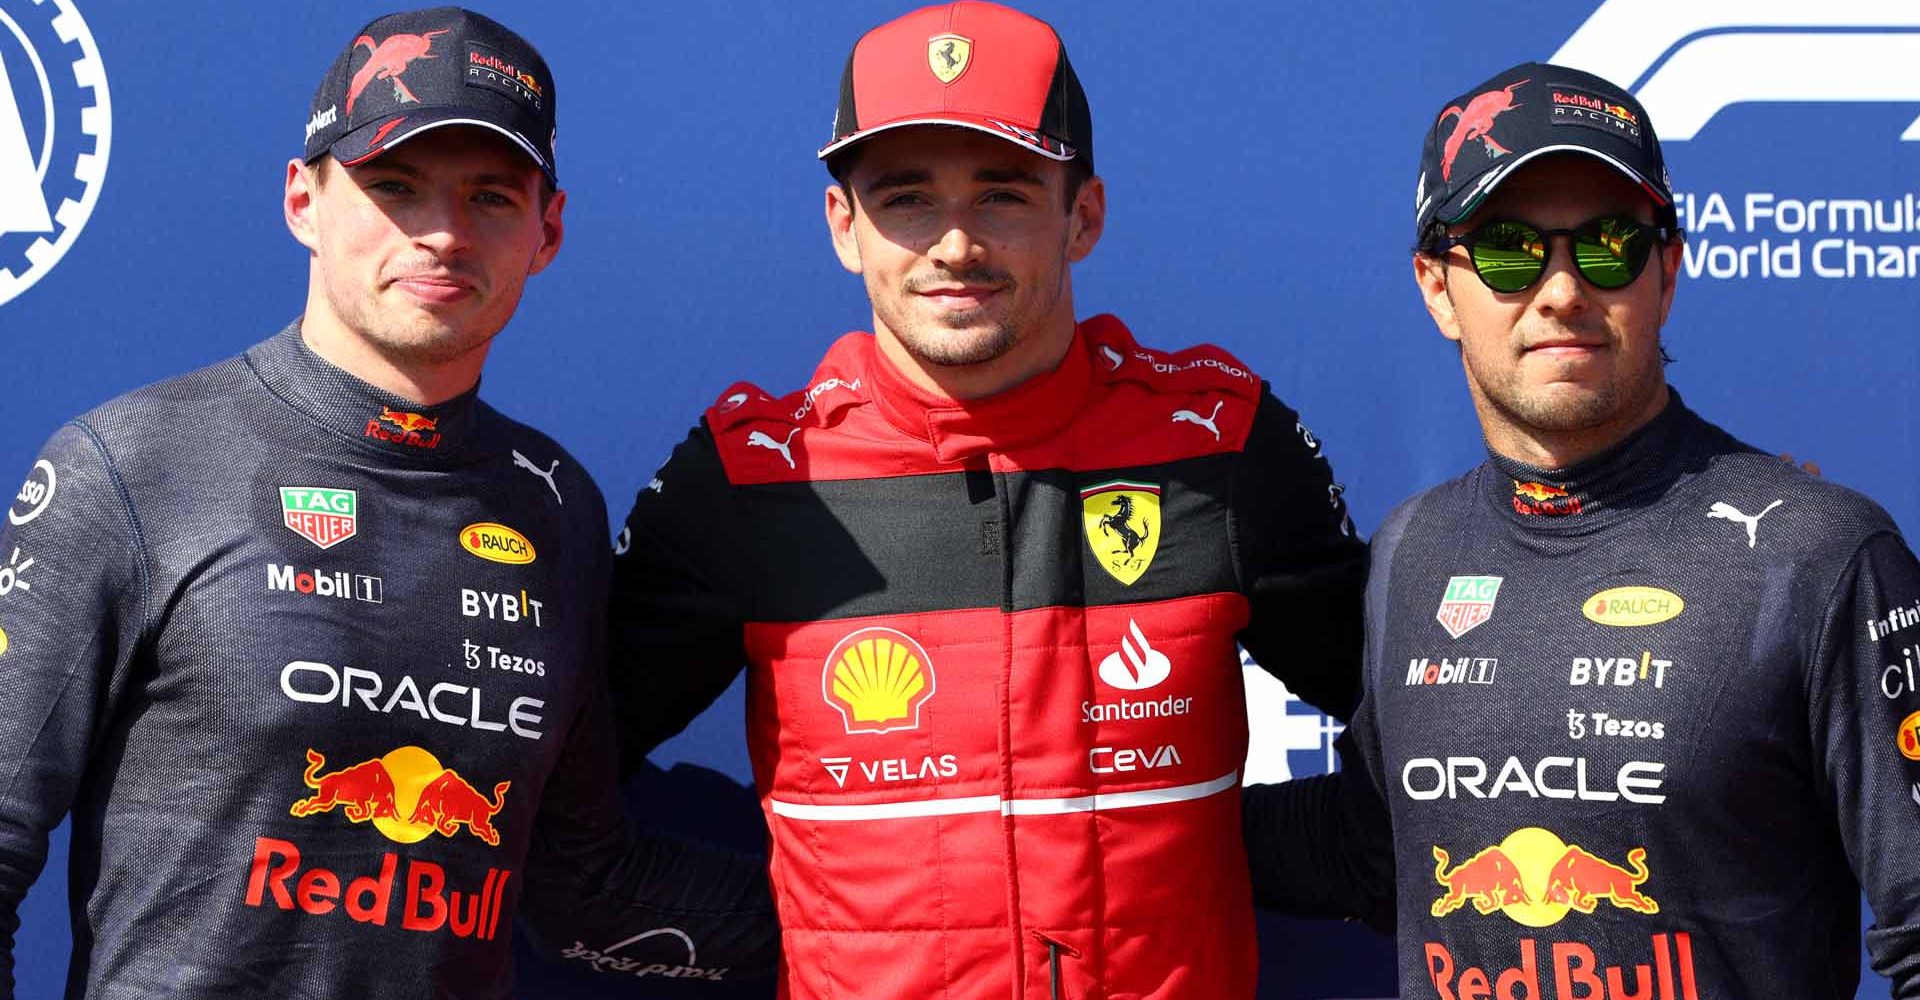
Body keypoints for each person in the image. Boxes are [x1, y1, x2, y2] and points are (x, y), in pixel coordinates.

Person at [0, 8, 775, 997]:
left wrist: (922, 927)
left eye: (491, 196)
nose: (444, 234)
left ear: (549, 230)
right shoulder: (132, 463)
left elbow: (581, 879)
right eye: (394, 187)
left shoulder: (554, 507)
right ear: (302, 199)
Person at [603, 2, 1366, 997]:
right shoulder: (752, 477)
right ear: (845, 226)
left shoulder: (1221, 447)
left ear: (1082, 215)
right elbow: (550, 783)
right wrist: (785, 930)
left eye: (1003, 194)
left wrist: (1208, 846)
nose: (956, 243)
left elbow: (1440, 750)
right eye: (907, 198)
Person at [1243, 62, 1920, 998]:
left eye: (1608, 246)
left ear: (1668, 275)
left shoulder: (1819, 554)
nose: (1562, 290)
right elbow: (1375, 847)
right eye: (1512, 251)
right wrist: (1072, 828)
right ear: (1437, 287)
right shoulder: (1413, 549)